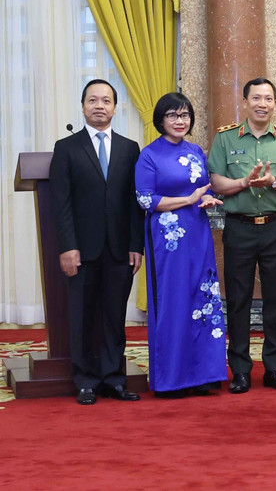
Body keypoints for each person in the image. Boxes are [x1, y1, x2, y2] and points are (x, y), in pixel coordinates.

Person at [208, 78, 276, 393]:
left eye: (268, 99)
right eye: (256, 98)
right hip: (240, 227)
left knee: (275, 300)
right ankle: (240, 370)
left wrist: (274, 181)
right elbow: (216, 182)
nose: (262, 104)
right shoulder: (225, 138)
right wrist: (244, 183)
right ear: (245, 102)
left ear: (275, 103)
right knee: (238, 301)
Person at [50, 79, 144, 405]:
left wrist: (136, 245)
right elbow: (61, 203)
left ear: (115, 108)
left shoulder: (130, 148)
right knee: (82, 318)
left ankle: (113, 379)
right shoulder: (66, 148)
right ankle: (86, 381)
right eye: (93, 100)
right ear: (83, 106)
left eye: (106, 100)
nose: (99, 106)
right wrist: (67, 246)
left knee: (114, 318)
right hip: (81, 249)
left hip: (119, 249)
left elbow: (134, 203)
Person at [135, 93, 227, 398]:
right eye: (173, 115)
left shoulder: (196, 150)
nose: (179, 121)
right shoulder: (149, 155)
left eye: (185, 115)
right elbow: (145, 199)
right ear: (161, 119)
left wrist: (205, 199)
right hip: (167, 239)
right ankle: (171, 379)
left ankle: (204, 375)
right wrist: (187, 200)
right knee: (173, 303)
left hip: (198, 234)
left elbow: (200, 189)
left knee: (202, 300)